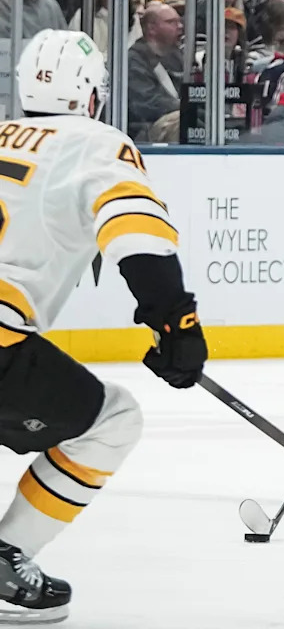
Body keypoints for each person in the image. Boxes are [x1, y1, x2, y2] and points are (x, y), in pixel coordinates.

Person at [0, 30, 207, 621]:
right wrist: (176, 323)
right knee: (113, 420)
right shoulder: (94, 142)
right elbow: (136, 230)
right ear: (91, 94)